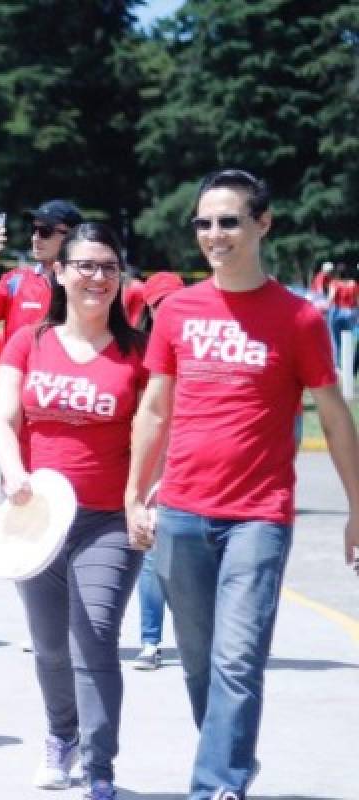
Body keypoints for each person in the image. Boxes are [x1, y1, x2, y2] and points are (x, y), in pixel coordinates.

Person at [125, 169, 359, 800]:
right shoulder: (177, 312)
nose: (213, 234)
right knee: (201, 664)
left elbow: (334, 415)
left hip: (259, 515)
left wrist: (356, 508)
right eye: (204, 222)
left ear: (262, 224)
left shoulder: (299, 318)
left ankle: (216, 784)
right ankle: (231, 758)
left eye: (228, 221)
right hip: (179, 512)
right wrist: (133, 492)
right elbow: (154, 408)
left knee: (237, 660)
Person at [0, 222, 148, 800]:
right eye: (85, 265)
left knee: (96, 636)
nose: (97, 277)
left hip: (108, 519)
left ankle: (100, 766)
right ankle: (62, 737)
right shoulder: (28, 341)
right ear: (60, 272)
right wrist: (13, 471)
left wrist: (143, 498)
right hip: (38, 520)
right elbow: (3, 417)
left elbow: (158, 432)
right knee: (51, 643)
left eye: (108, 267)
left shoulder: (139, 354)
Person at [129, 271, 185, 672]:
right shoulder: (137, 350)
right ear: (148, 308)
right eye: (160, 303)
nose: (169, 309)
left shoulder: (198, 340)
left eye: (175, 300)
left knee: (192, 555)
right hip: (154, 457)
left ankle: (201, 637)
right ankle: (151, 639)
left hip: (194, 455)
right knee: (151, 550)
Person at [0, 199, 85, 347]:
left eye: (45, 232)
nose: (35, 237)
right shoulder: (16, 280)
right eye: (33, 230)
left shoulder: (87, 284)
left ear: (71, 236)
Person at [327, 262, 358, 371]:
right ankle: (349, 364)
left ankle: (338, 366)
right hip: (350, 312)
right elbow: (357, 301)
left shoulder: (334, 283)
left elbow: (331, 298)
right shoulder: (353, 283)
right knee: (350, 339)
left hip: (337, 312)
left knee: (335, 341)